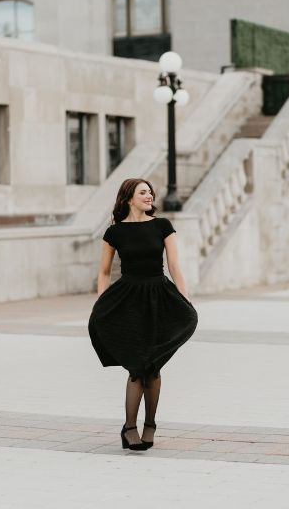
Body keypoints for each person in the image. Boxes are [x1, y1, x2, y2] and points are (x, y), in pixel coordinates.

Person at [88, 178, 198, 451]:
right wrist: (102, 304)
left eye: (150, 192)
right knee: (137, 368)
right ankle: (129, 428)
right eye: (143, 192)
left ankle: (150, 425)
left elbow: (174, 265)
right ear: (129, 198)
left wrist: (184, 299)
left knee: (154, 366)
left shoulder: (162, 226)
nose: (149, 196)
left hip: (159, 297)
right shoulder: (114, 233)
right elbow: (103, 273)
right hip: (128, 300)